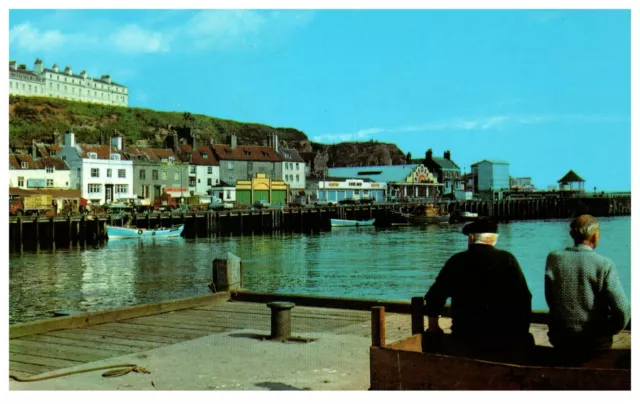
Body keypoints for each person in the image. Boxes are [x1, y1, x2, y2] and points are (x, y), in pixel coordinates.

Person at [424, 218, 534, 361]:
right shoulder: (508, 260)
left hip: (465, 336)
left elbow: (434, 297)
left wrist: (434, 327)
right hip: (503, 338)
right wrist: (520, 332)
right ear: (494, 239)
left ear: (471, 238)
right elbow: (524, 298)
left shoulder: (457, 261)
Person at [545, 215, 630, 364]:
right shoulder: (604, 264)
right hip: (594, 343)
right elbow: (622, 309)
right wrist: (610, 330)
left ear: (572, 234)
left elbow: (550, 299)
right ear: (595, 235)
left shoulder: (553, 259)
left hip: (561, 339)